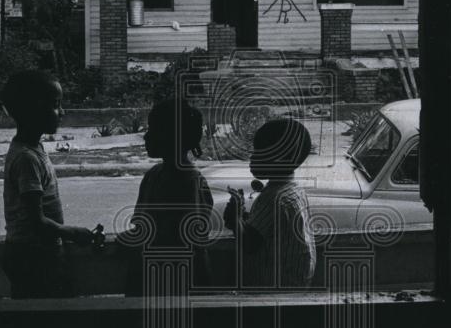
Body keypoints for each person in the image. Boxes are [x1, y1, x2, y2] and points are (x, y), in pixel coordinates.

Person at [0, 70, 96, 298]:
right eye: (55, 105)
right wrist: (72, 233)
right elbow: (37, 222)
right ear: (34, 109)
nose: (61, 112)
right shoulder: (27, 159)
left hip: (33, 251)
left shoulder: (31, 150)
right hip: (33, 255)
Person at [121, 98, 216, 293]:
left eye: (154, 130)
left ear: (173, 136)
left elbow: (186, 242)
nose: (146, 137)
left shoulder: (191, 183)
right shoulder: (153, 175)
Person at [224, 117, 317, 288]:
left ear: (279, 159)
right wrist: (243, 218)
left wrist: (235, 217)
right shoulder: (294, 190)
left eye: (259, 152)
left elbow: (249, 244)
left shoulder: (273, 199)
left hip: (274, 289)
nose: (251, 157)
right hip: (296, 284)